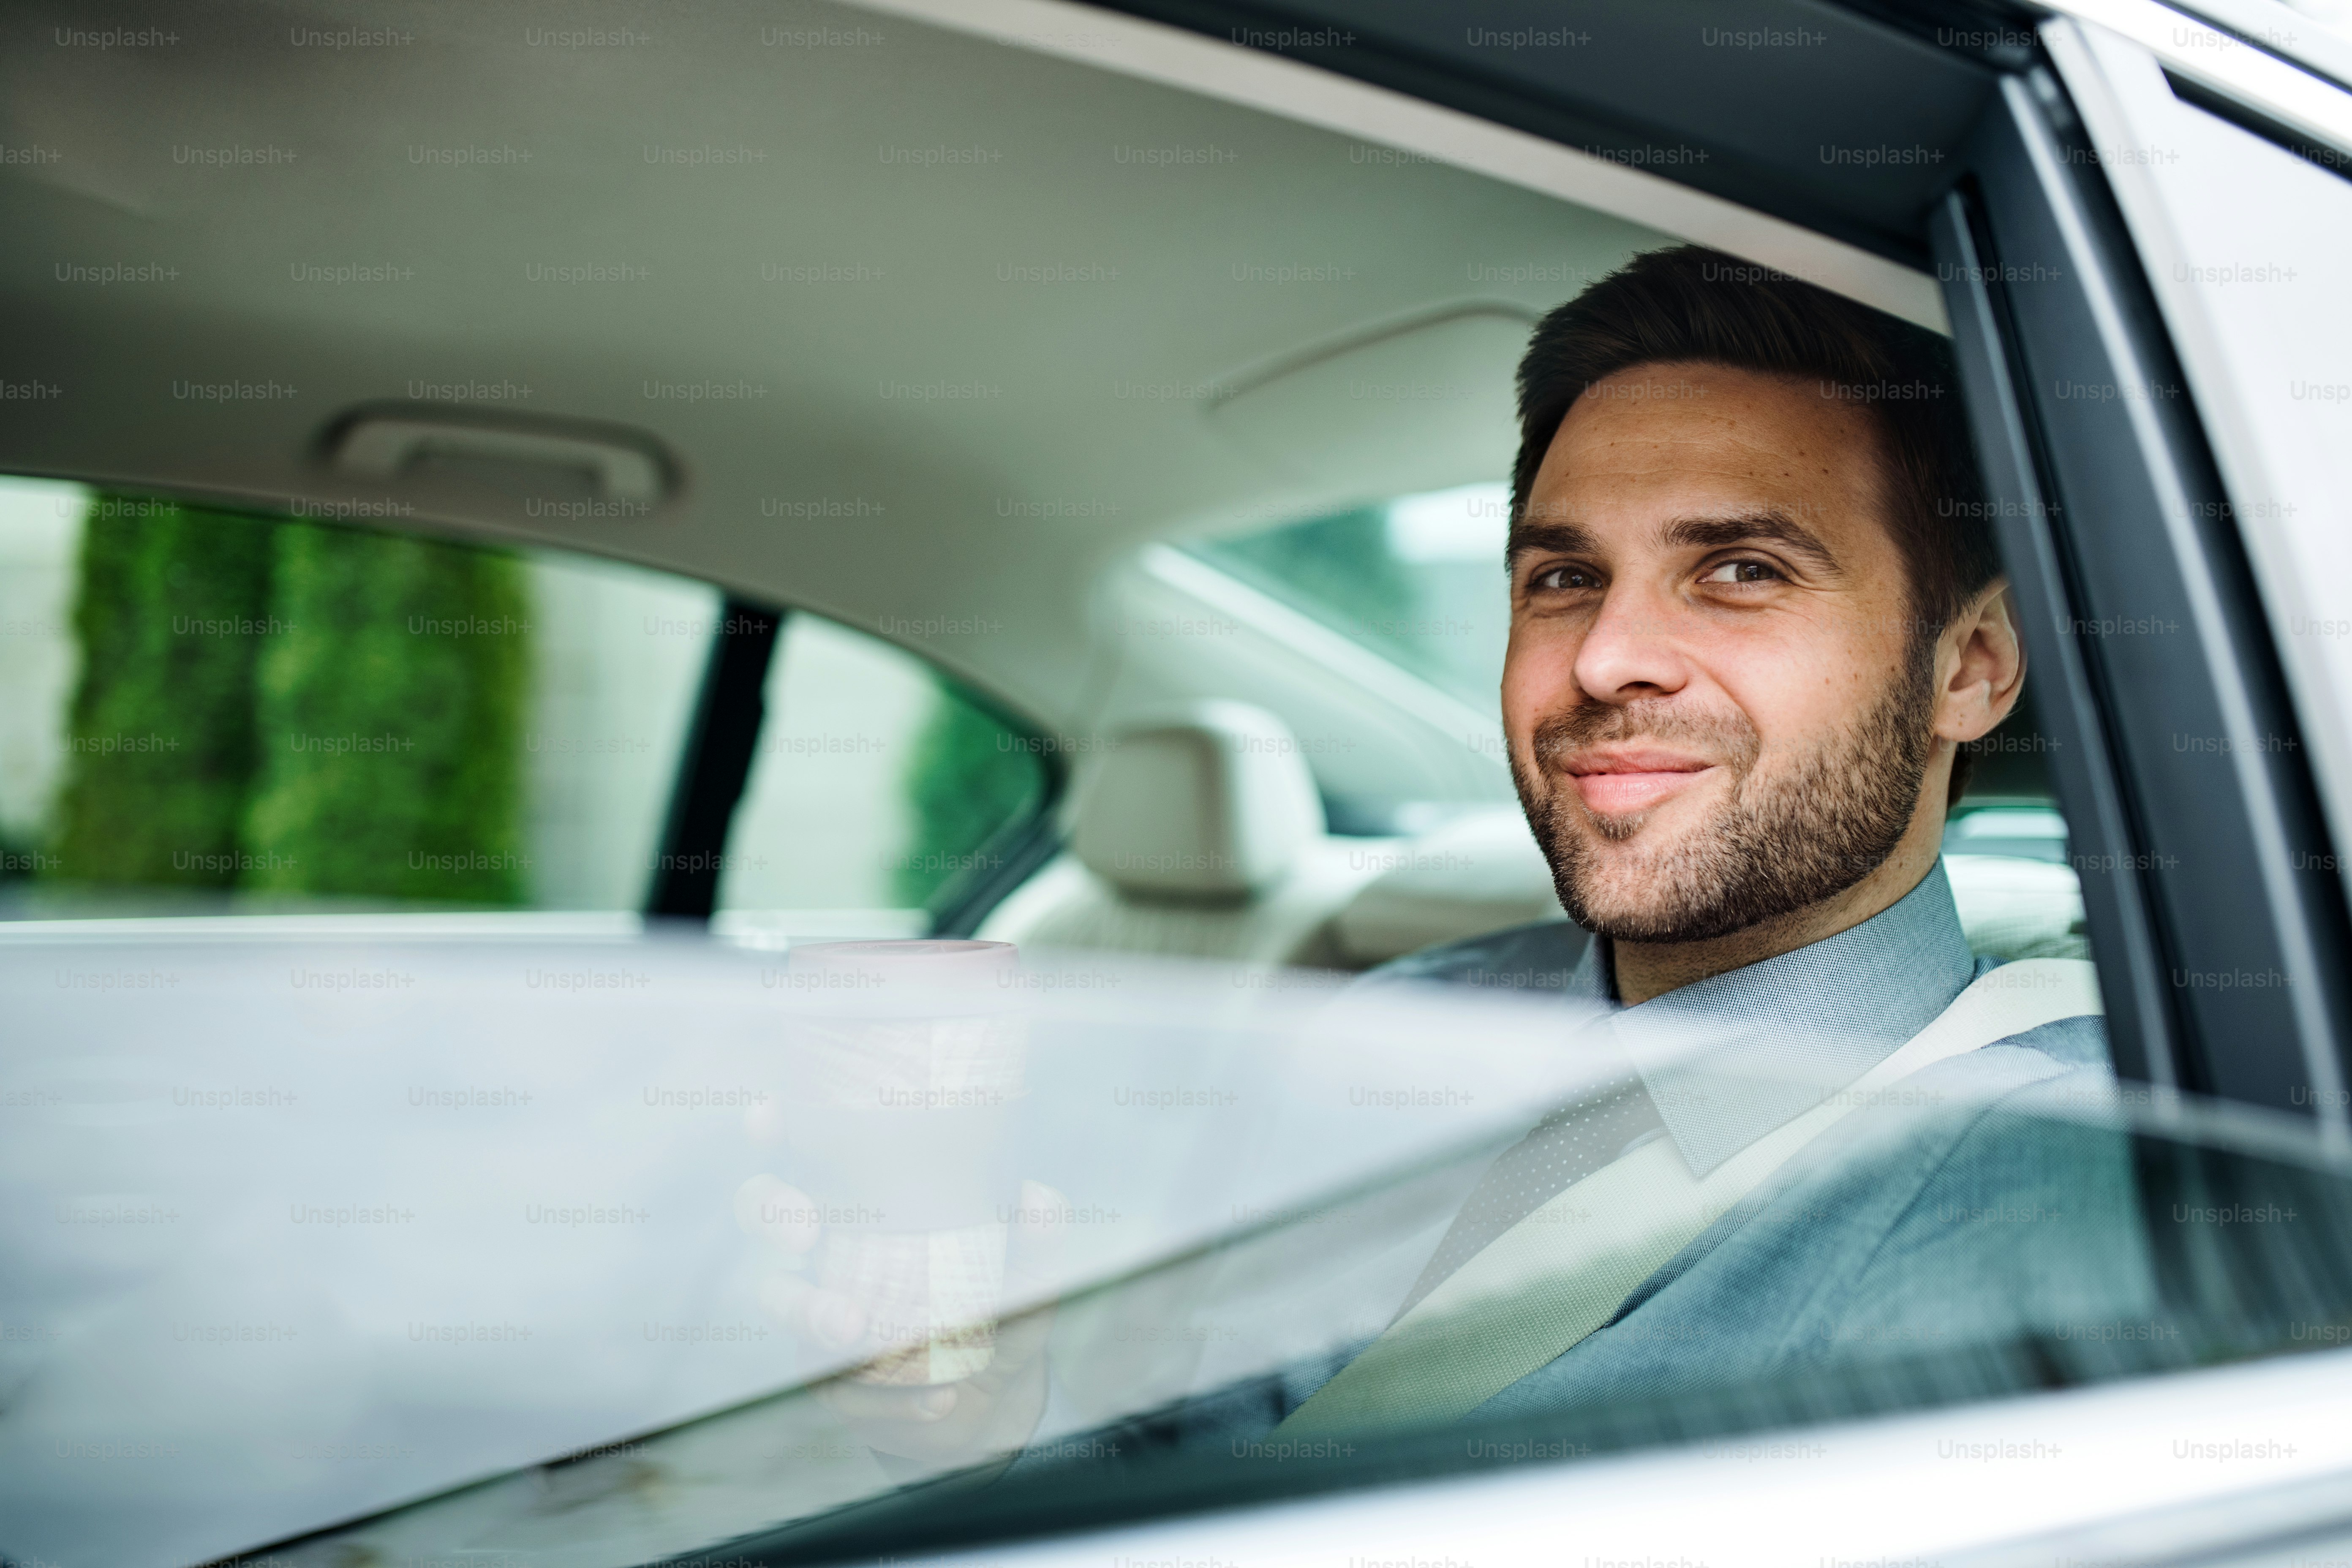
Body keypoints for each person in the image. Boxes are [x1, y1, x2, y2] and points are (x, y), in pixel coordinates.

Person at [793, 244, 2139, 1467]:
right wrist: (978, 1433)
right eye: (1561, 578)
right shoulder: (1394, 1030)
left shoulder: (2066, 1179)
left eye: (1739, 570)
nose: (1606, 658)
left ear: (1969, 665)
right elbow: (1180, 1469)